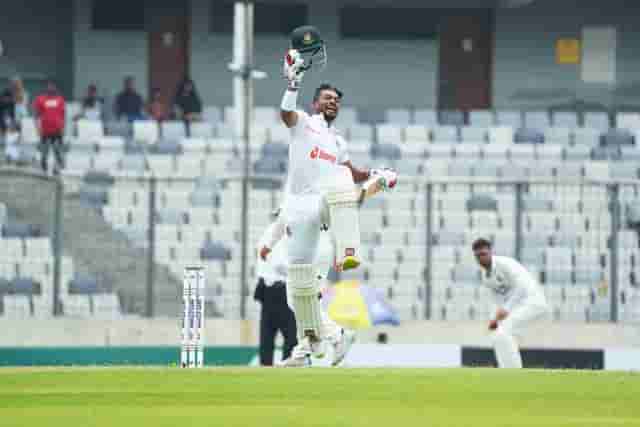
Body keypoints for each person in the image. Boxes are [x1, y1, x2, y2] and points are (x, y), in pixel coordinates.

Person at [278, 42, 397, 366]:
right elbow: (285, 114)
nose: (333, 103)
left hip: (324, 209)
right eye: (328, 98)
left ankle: (334, 335)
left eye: (337, 101)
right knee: (297, 294)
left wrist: (373, 172)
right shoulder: (304, 122)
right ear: (316, 103)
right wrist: (293, 82)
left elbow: (349, 171)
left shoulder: (338, 140)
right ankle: (310, 345)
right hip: (300, 211)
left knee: (344, 186)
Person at [259, 208, 356, 367]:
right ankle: (303, 351)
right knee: (306, 303)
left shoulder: (299, 194)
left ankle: (338, 335)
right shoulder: (318, 195)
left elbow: (282, 221)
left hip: (309, 252)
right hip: (318, 250)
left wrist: (268, 245)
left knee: (299, 302)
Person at [472, 238, 549, 368]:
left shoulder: (505, 263)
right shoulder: (486, 277)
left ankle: (514, 373)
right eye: (478, 256)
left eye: (484, 254)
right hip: (518, 306)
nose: (481, 258)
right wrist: (494, 320)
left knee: (504, 332)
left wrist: (507, 309)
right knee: (497, 335)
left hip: (532, 301)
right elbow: (497, 300)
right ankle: (506, 371)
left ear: (490, 252)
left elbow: (522, 287)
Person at [254, 209, 298, 366]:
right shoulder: (278, 234)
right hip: (279, 289)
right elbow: (279, 264)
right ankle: (288, 366)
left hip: (268, 288)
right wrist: (298, 273)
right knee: (291, 335)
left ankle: (266, 368)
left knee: (267, 334)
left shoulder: (270, 233)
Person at [32, 80, 65, 174]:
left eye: (53, 86)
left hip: (57, 129)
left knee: (57, 149)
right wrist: (37, 128)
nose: (51, 88)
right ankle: (44, 168)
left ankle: (57, 168)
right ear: (46, 87)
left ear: (56, 87)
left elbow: (63, 116)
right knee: (44, 151)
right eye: (49, 86)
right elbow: (36, 115)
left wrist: (63, 128)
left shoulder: (60, 100)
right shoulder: (40, 99)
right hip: (45, 130)